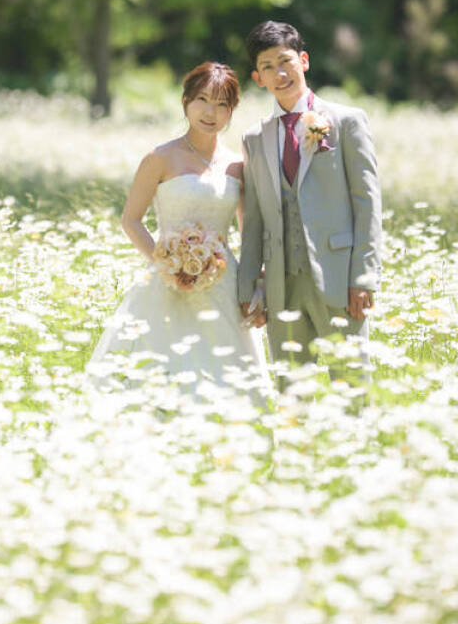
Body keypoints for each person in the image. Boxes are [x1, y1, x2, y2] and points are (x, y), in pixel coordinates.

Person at [88, 61, 269, 400]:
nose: (210, 112)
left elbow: (248, 233)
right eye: (202, 99)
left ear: (231, 112)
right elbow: (131, 220)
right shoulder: (160, 158)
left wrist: (255, 285)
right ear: (186, 101)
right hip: (165, 283)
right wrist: (166, 263)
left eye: (222, 104)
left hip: (223, 284)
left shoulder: (237, 166)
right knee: (157, 377)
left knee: (227, 380)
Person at [237, 20, 382, 374]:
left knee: (350, 390)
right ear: (258, 78)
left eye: (284, 61)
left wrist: (363, 279)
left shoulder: (347, 121)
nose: (279, 73)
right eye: (267, 67)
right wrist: (247, 291)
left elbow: (368, 204)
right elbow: (253, 220)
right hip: (281, 288)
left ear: (303, 60)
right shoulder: (255, 138)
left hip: (339, 280)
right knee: (291, 396)